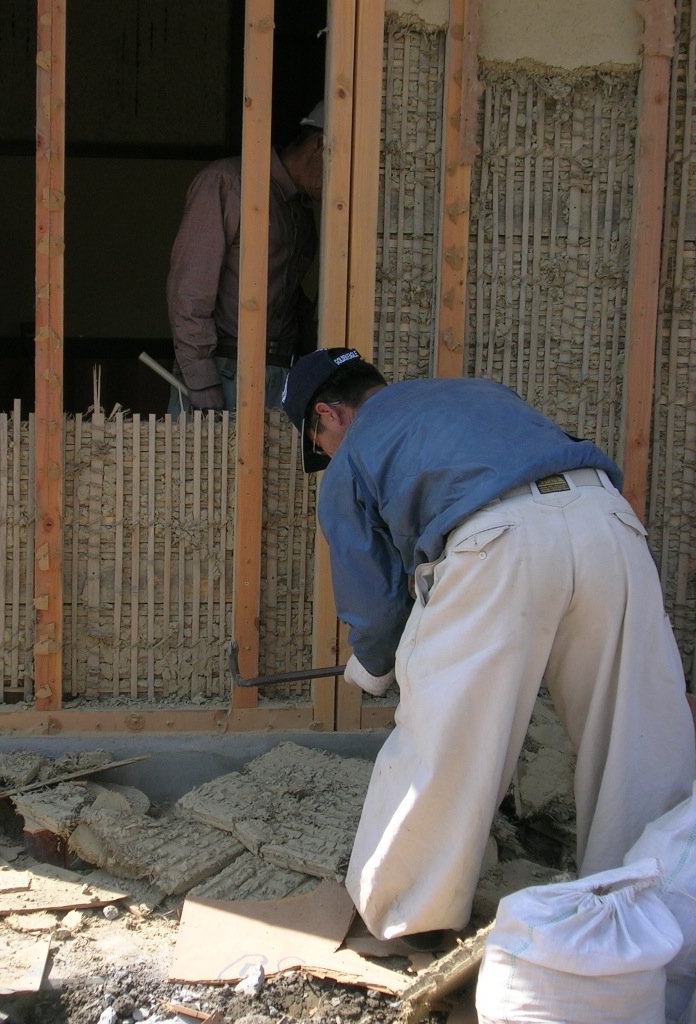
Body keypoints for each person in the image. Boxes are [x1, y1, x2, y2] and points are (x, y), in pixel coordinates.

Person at [281, 346, 696, 944]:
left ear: (329, 414)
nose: (326, 454)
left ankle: (409, 917)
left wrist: (373, 668)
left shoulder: (355, 453)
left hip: (498, 542)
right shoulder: (478, 393)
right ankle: (654, 911)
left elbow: (372, 597)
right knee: (639, 737)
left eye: (317, 441)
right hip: (608, 522)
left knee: (446, 741)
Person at [166, 102, 325, 414]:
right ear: (320, 144)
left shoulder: (302, 215)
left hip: (282, 375)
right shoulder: (227, 183)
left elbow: (288, 299)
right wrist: (201, 378)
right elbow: (189, 289)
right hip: (224, 369)